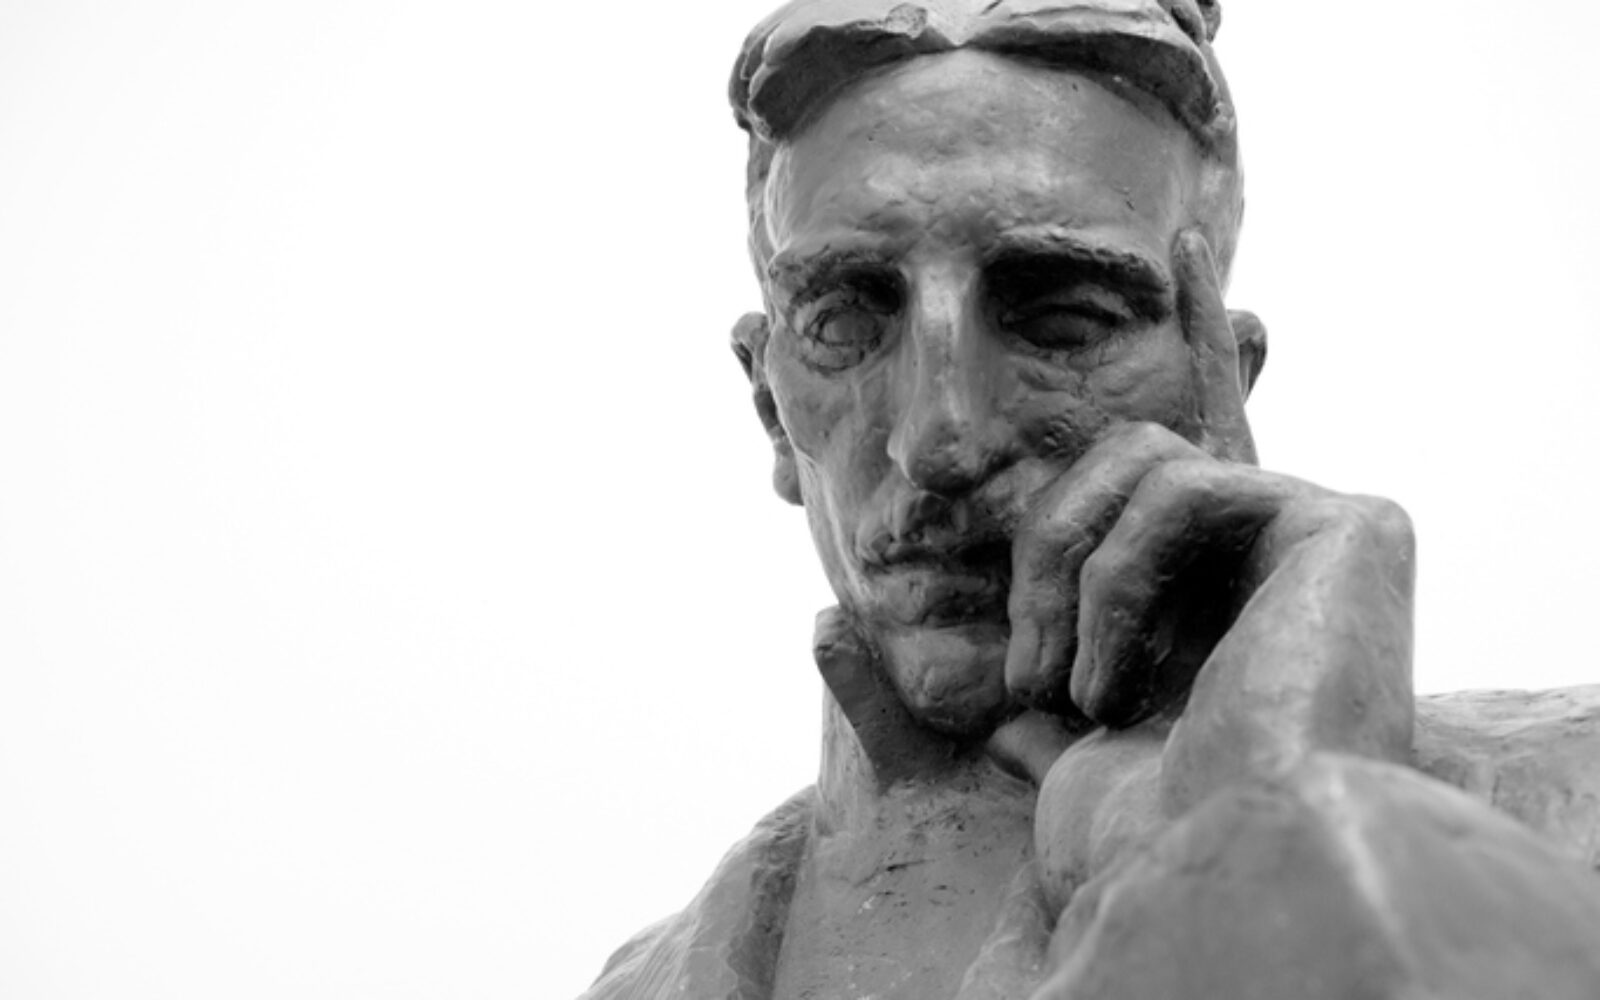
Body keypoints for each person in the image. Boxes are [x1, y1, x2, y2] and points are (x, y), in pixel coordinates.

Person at [583, 2, 1600, 996]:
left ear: (1217, 377)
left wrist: (1261, 827)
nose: (940, 440)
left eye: (1063, 319)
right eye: (845, 324)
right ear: (770, 408)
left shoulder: (1571, 818)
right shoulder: (653, 982)